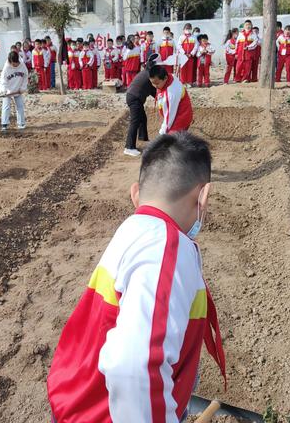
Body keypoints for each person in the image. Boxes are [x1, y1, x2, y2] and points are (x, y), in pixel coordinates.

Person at [47, 131, 226, 423]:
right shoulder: (165, 249)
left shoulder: (134, 229)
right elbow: (135, 366)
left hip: (76, 403)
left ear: (135, 194)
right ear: (203, 195)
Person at [123, 56, 157, 157]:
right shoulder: (149, 75)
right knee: (135, 122)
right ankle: (129, 147)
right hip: (135, 98)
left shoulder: (145, 72)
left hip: (132, 96)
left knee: (142, 117)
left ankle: (143, 138)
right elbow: (154, 90)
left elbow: (152, 91)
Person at [151, 64, 193, 135]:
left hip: (179, 119)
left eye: (157, 83)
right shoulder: (170, 76)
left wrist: (161, 134)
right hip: (183, 113)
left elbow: (169, 118)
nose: (155, 86)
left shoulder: (170, 94)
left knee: (170, 141)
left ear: (165, 78)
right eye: (152, 83)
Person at [0, 50, 28, 132]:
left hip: (18, 90)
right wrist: (4, 90)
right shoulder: (6, 68)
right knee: (6, 106)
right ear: (10, 61)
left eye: (16, 63)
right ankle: (4, 124)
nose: (15, 65)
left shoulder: (22, 65)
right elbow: (3, 80)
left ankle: (21, 123)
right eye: (13, 63)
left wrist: (23, 88)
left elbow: (25, 77)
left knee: (20, 106)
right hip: (8, 90)